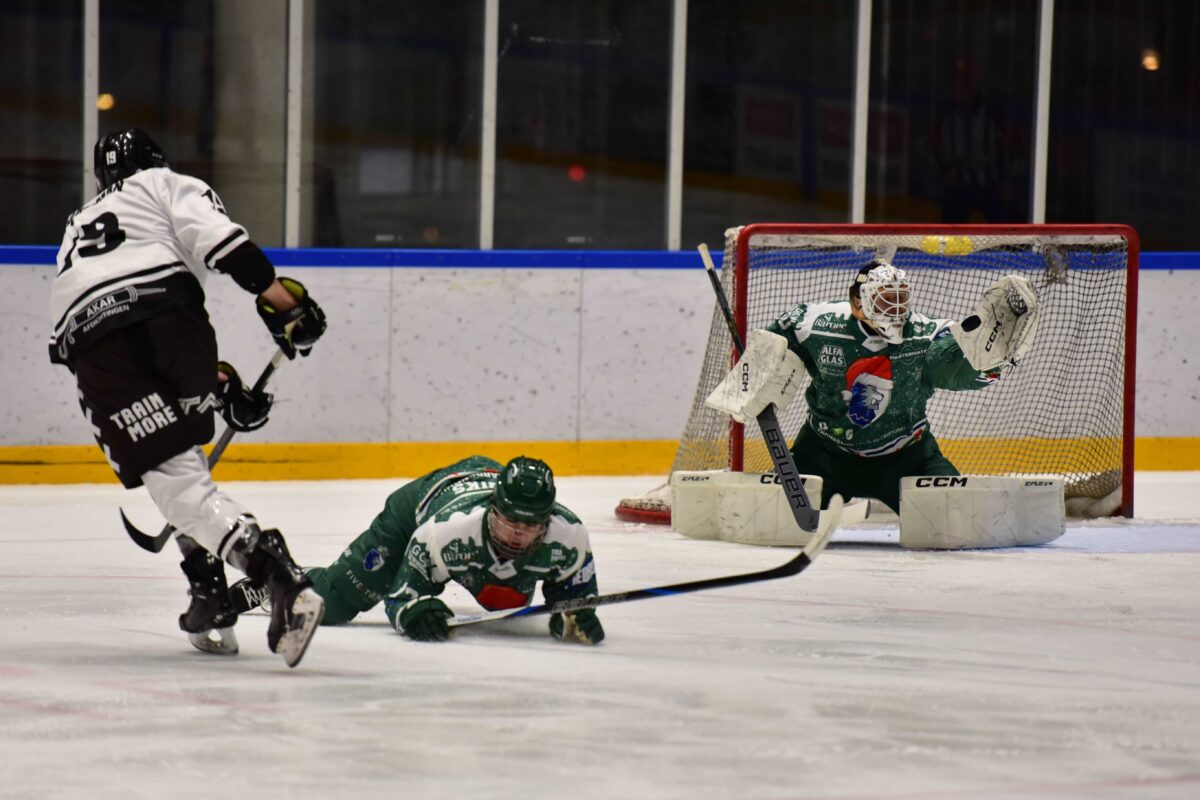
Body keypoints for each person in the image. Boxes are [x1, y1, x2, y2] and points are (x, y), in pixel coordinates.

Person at [48, 128, 328, 668]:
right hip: (173, 323)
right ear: (156, 160)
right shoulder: (168, 182)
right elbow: (226, 247)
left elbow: (103, 314)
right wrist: (284, 309)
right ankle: (210, 595)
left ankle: (277, 579)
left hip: (95, 339)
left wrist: (220, 386)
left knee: (176, 481)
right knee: (183, 468)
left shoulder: (75, 224)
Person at [706, 261, 1039, 514]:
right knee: (768, 514)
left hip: (908, 458)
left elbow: (952, 369)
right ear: (857, 303)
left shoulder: (925, 335)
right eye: (884, 300)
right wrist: (755, 376)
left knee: (957, 514)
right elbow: (779, 337)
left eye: (900, 299)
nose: (895, 309)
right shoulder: (815, 324)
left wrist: (988, 360)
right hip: (822, 455)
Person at [231, 455, 605, 644]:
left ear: (548, 520)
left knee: (506, 603)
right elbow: (399, 597)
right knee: (333, 603)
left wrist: (572, 617)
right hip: (416, 511)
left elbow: (572, 601)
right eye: (509, 522)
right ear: (494, 509)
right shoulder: (448, 531)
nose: (517, 536)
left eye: (530, 526)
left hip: (465, 500)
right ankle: (276, 581)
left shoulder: (568, 535)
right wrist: (414, 609)